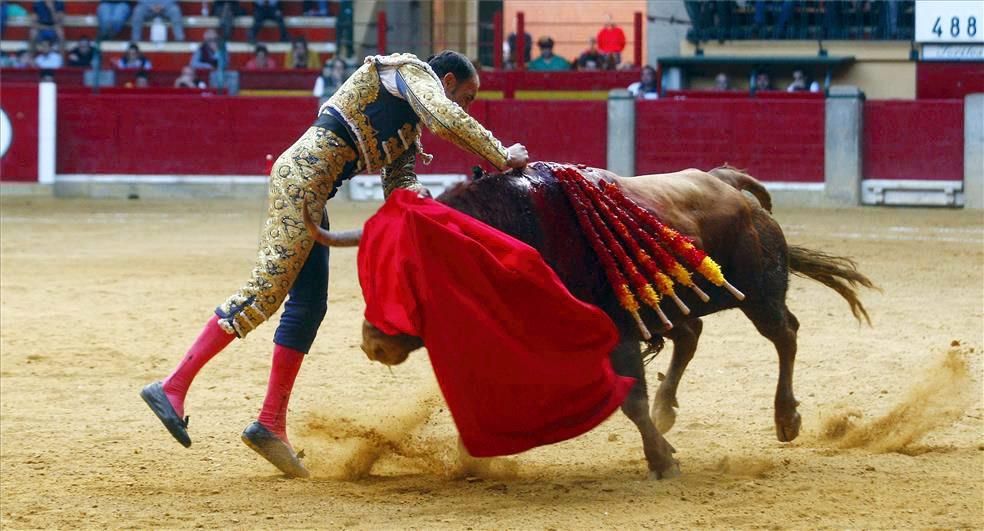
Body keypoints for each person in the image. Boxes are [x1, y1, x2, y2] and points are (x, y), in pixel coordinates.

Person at [140, 49, 529, 479]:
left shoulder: (407, 125)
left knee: (308, 305)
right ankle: (172, 387)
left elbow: (399, 184)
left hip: (314, 193)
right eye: (468, 96)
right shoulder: (405, 72)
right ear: (448, 79)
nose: (466, 106)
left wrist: (431, 213)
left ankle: (270, 422)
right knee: (265, 293)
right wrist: (500, 153)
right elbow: (446, 117)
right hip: (301, 183)